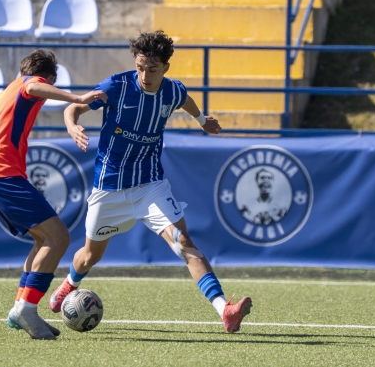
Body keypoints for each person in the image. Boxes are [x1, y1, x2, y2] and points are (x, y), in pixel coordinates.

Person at [48, 30, 253, 333]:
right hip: (110, 188)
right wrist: (72, 125)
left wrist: (202, 121)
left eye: (153, 69)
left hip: (150, 185)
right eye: (140, 67)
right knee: (90, 255)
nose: (145, 75)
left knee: (183, 242)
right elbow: (73, 107)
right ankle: (70, 282)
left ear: (165, 67)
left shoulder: (172, 91)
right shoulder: (117, 86)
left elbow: (186, 100)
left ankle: (226, 310)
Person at [0, 50, 107, 340]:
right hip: (3, 174)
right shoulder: (28, 84)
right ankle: (27, 309)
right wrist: (78, 98)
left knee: (42, 240)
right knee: (58, 238)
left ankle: (19, 308)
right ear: (48, 78)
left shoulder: (0, 100)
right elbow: (34, 87)